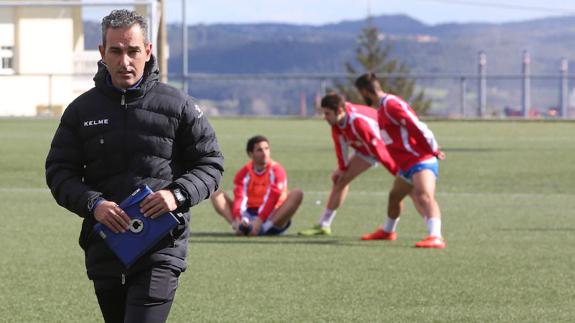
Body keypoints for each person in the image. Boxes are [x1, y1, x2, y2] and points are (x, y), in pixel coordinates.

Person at [45, 10, 224, 323]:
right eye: (115, 51)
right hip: (105, 245)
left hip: (161, 245)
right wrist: (94, 203)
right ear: (102, 53)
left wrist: (177, 195)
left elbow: (210, 163)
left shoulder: (178, 105)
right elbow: (59, 172)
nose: (125, 61)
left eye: (133, 51)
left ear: (148, 51)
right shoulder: (80, 111)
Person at [354, 73, 446, 249]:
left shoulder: (391, 105)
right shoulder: (382, 108)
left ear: (365, 91)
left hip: (420, 159)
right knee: (395, 197)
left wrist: (432, 149)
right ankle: (388, 231)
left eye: (360, 93)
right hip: (406, 164)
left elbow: (416, 125)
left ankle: (436, 236)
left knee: (424, 196)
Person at [298, 93, 397, 236]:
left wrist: (396, 172)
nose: (324, 117)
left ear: (339, 111)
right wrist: (342, 168)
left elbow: (379, 149)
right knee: (341, 180)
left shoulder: (359, 122)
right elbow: (340, 145)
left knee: (405, 184)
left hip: (387, 146)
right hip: (367, 148)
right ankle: (324, 225)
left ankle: (433, 230)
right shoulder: (337, 122)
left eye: (327, 114)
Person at [211, 135, 303, 236]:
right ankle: (238, 226)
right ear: (251, 154)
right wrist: (238, 218)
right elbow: (240, 197)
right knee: (216, 194)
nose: (265, 153)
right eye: (259, 150)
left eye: (267, 148)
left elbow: (273, 197)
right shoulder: (244, 172)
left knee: (297, 194)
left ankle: (264, 228)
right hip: (249, 214)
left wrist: (259, 221)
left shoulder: (277, 171)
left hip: (273, 216)